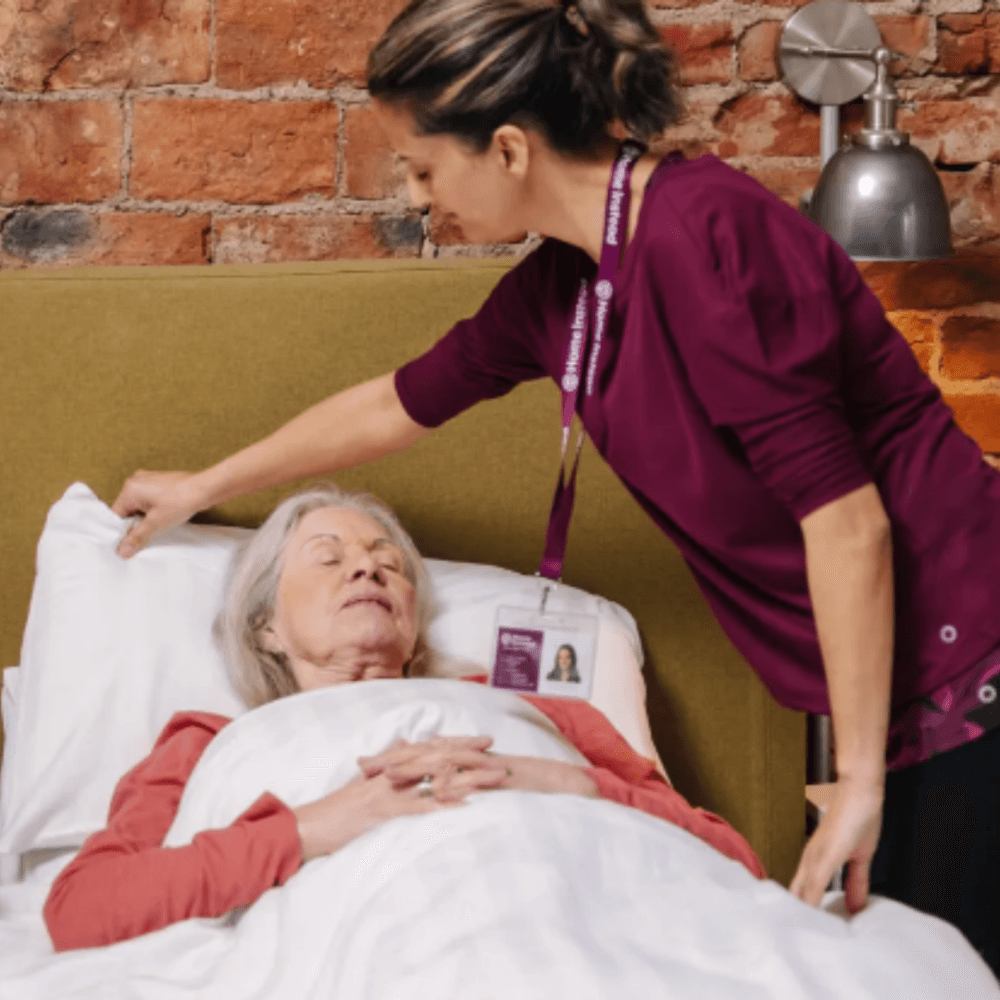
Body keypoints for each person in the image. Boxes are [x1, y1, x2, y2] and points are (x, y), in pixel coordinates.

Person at [108, 0, 1000, 976]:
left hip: (968, 646)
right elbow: (398, 402)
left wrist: (858, 778)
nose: (415, 194)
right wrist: (205, 485)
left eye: (421, 165)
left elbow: (847, 525)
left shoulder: (706, 241)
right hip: (882, 690)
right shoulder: (566, 285)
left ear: (505, 149)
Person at [43, 484, 766, 953]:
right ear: (266, 627)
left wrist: (563, 784)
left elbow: (735, 860)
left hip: (583, 923)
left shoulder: (540, 712)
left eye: (388, 564)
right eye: (328, 558)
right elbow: (81, 911)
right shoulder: (207, 744)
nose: (367, 570)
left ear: (415, 628)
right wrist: (318, 826)